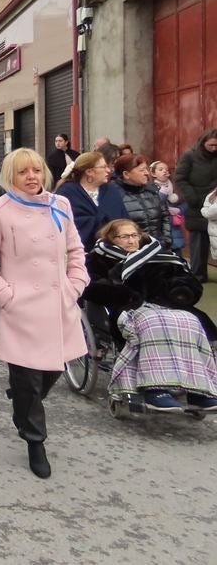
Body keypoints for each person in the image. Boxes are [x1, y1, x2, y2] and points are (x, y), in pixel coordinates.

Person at [0, 148, 88, 479]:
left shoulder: (60, 205)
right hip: (21, 310)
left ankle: (22, 396)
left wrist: (75, 284)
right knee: (31, 383)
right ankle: (35, 440)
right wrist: (6, 296)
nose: (32, 176)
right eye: (23, 172)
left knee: (50, 372)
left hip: (58, 304)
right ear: (12, 176)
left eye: (36, 170)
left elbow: (75, 251)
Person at [86, 220, 217, 412]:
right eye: (124, 236)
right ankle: (154, 389)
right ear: (111, 239)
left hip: (165, 304)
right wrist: (120, 288)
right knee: (153, 323)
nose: (131, 240)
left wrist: (180, 290)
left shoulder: (158, 255)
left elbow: (185, 279)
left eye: (134, 235)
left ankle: (197, 391)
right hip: (127, 307)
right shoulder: (99, 258)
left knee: (190, 321)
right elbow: (90, 288)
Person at [55, 151, 128, 249]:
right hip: (81, 252)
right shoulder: (67, 192)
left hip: (115, 251)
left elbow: (124, 219)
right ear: (89, 172)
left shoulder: (111, 190)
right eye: (103, 167)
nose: (108, 170)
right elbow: (63, 225)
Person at [175, 129, 217, 282]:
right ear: (203, 142)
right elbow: (180, 178)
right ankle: (198, 275)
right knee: (198, 242)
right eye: (211, 145)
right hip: (197, 205)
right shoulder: (190, 156)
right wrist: (191, 197)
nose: (214, 148)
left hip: (215, 206)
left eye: (216, 146)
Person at [112, 153, 171, 248]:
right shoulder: (115, 195)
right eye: (142, 170)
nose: (147, 173)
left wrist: (166, 241)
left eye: (146, 169)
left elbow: (165, 217)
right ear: (126, 174)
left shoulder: (152, 191)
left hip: (159, 247)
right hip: (131, 250)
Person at [151, 160, 186, 254]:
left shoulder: (175, 187)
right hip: (158, 228)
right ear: (153, 174)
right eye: (161, 169)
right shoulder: (150, 188)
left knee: (177, 255)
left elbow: (186, 204)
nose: (165, 171)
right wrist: (162, 194)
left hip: (174, 229)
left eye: (166, 169)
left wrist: (179, 210)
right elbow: (153, 205)